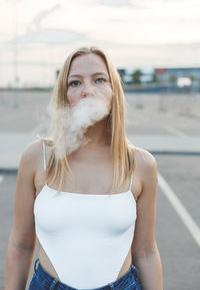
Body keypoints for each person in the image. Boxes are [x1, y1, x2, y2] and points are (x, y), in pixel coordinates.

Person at [5, 46, 163, 290]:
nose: (88, 91)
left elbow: (146, 251)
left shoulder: (141, 165)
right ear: (64, 94)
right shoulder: (38, 157)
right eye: (75, 83)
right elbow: (20, 245)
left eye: (99, 80)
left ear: (114, 92)